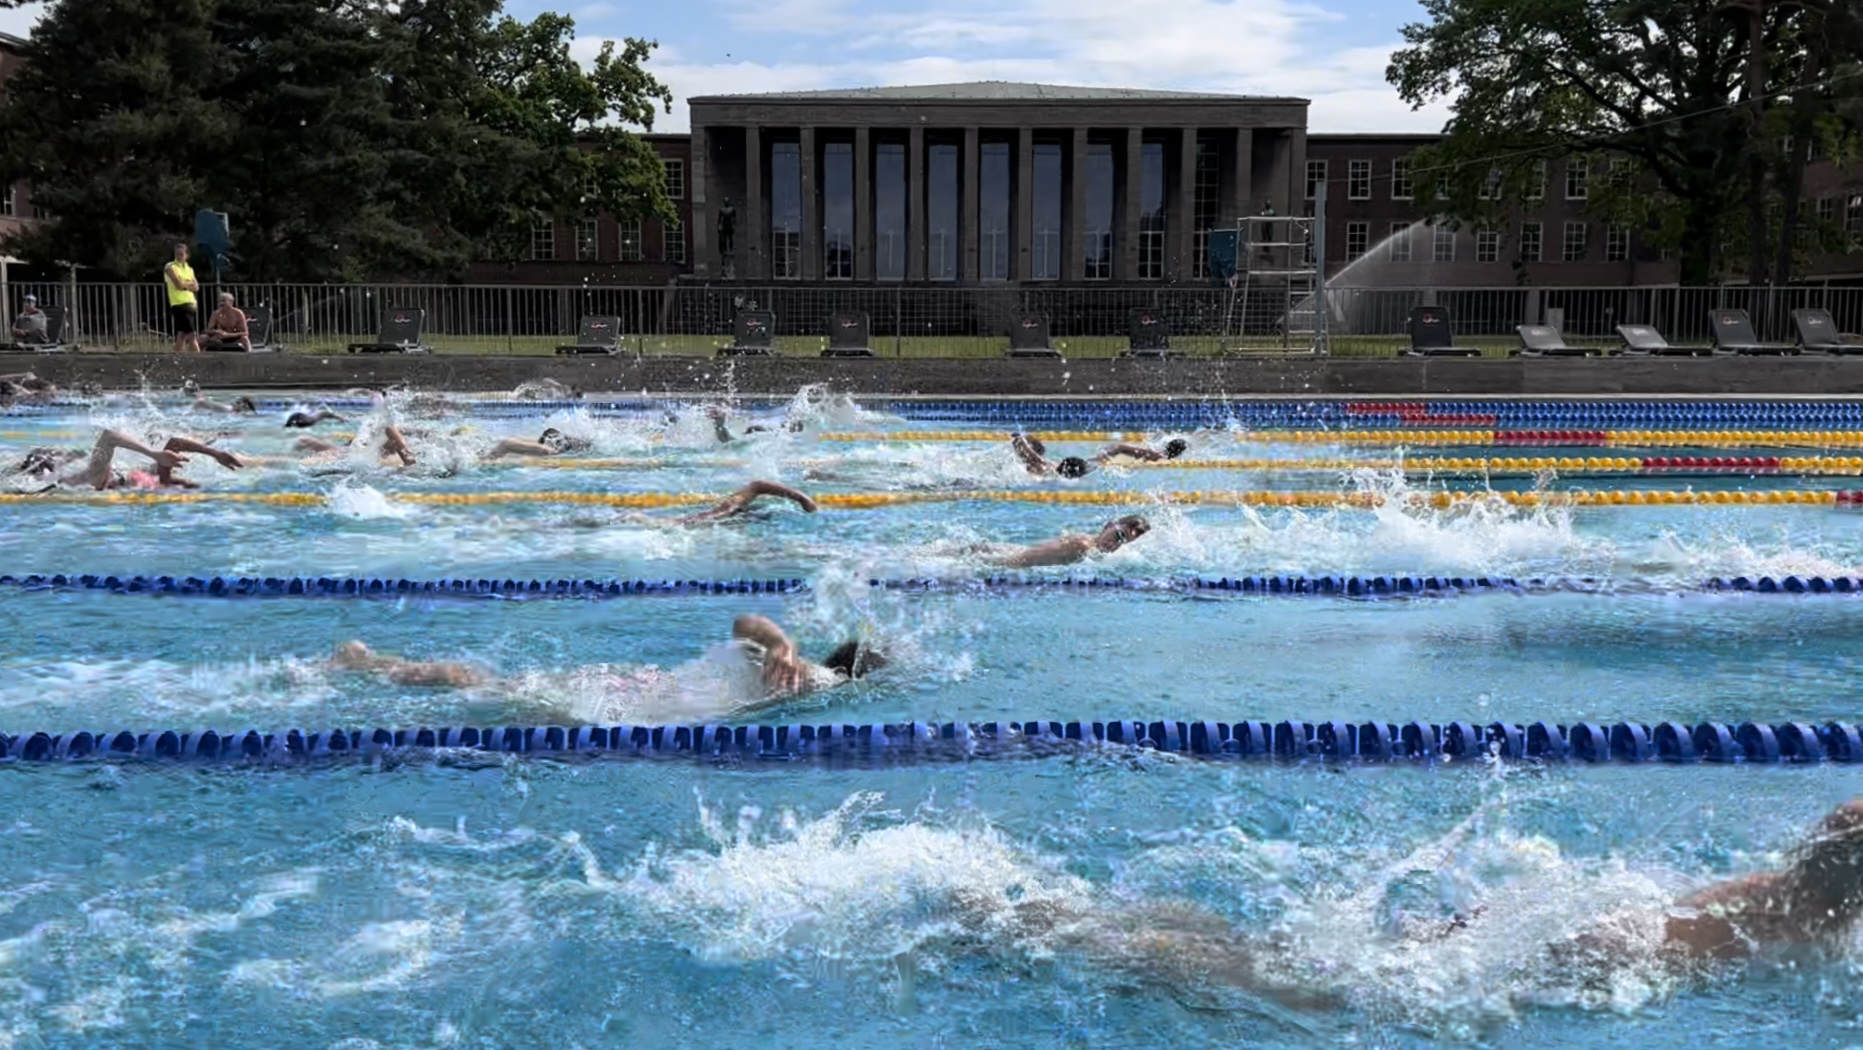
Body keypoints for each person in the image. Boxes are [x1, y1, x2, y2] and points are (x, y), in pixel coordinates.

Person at [9, 429, 243, 491]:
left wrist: (217, 455)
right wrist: (154, 455)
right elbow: (109, 436)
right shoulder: (95, 479)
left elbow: (174, 444)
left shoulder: (104, 476)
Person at [729, 614, 886, 702]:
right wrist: (782, 645)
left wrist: (779, 645)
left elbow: (741, 624)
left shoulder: (791, 672)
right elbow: (744, 623)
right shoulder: (822, 681)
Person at [973, 514, 1151, 569]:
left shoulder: (1089, 542)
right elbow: (1025, 558)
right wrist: (1004, 565)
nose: (1115, 544)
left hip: (1014, 549)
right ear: (1108, 526)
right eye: (1118, 536)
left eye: (1123, 542)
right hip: (1007, 559)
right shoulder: (1083, 546)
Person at [1012, 434, 1187, 478]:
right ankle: (1161, 454)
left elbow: (1020, 443)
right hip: (1083, 470)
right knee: (1114, 449)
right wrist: (1158, 454)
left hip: (1058, 473)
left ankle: (1160, 454)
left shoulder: (1042, 467)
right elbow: (1118, 448)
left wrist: (1021, 437)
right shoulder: (1090, 466)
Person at [330, 641, 491, 689]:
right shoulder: (387, 660)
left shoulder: (375, 669)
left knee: (483, 687)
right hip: (438, 668)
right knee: (485, 684)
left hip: (433, 673)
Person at [163, 243, 201, 353]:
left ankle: (176, 356)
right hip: (179, 303)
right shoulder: (170, 267)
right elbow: (178, 284)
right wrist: (188, 284)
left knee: (182, 333)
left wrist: (185, 284)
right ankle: (198, 356)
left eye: (181, 254)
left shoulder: (189, 269)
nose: (179, 256)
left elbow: (196, 286)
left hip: (190, 302)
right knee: (191, 333)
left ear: (186, 255)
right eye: (177, 254)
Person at [483, 427, 593, 459]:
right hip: (560, 447)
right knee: (506, 442)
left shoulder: (548, 449)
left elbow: (506, 444)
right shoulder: (547, 445)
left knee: (506, 443)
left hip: (559, 448)